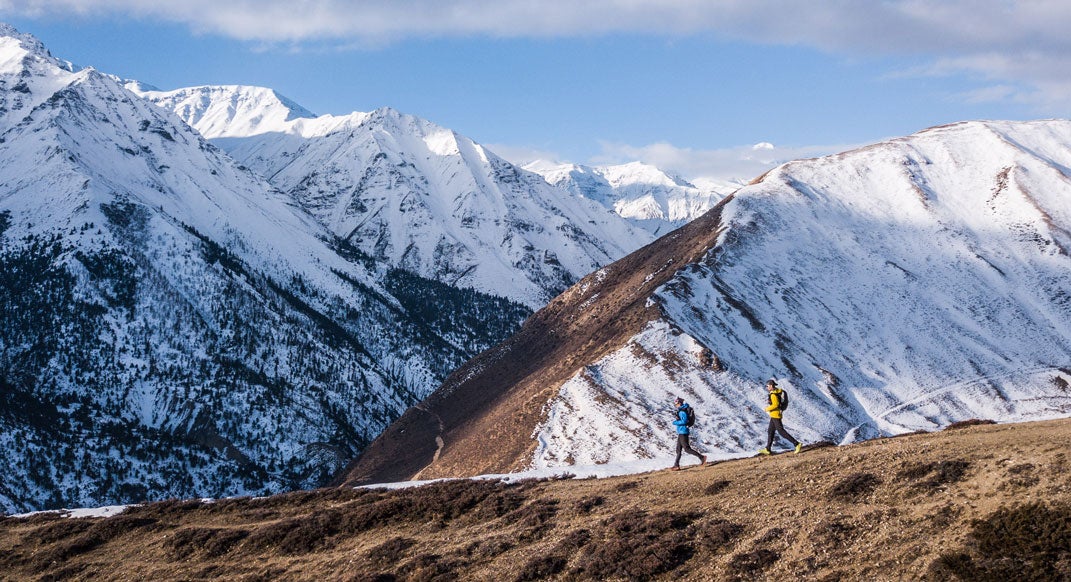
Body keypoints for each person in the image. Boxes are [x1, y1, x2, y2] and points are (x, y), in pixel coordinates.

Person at [759, 379, 802, 455]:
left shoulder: (773, 394)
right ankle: (767, 449)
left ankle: (796, 444)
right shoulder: (777, 392)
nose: (767, 387)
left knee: (781, 431)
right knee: (770, 431)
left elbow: (775, 405)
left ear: (771, 386)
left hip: (775, 415)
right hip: (775, 415)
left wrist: (767, 409)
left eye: (767, 386)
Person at [669, 396, 706, 470]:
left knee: (686, 449)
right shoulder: (681, 410)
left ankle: (702, 457)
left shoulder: (682, 411)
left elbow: (684, 421)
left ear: (679, 403)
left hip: (683, 432)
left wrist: (675, 422)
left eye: (676, 404)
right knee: (678, 449)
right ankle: (676, 465)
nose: (675, 405)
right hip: (681, 432)